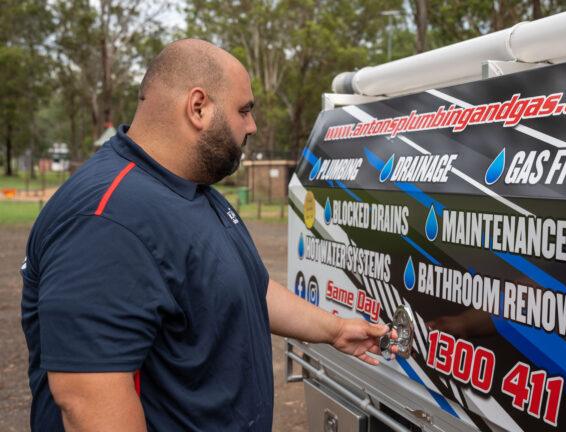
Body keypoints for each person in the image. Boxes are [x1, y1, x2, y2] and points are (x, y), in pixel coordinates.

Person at [20, 39, 396, 431]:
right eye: (244, 110)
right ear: (198, 107)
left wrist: (336, 330)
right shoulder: (108, 217)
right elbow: (88, 402)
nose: (251, 126)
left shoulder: (189, 188)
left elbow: (246, 288)